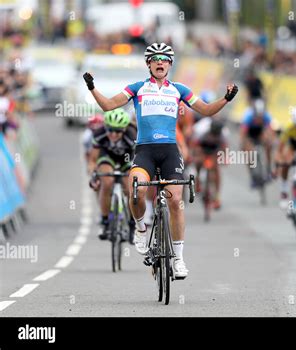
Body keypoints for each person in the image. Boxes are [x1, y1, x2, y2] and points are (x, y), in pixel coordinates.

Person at [83, 42, 238, 278]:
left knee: (175, 200)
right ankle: (141, 227)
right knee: (135, 188)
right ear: (148, 64)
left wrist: (226, 99)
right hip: (144, 150)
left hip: (169, 151)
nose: (160, 62)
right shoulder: (137, 88)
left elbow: (206, 110)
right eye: (155, 59)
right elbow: (108, 105)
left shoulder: (179, 90)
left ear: (169, 64)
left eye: (164, 59)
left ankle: (178, 259)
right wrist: (92, 87)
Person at [87, 108, 137, 240]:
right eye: (110, 130)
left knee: (130, 188)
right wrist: (93, 175)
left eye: (118, 131)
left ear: (124, 129)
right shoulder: (99, 133)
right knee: (107, 182)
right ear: (105, 127)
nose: (113, 134)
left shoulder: (132, 135)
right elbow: (92, 160)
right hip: (107, 157)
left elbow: (139, 160)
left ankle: (132, 224)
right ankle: (105, 222)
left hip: (127, 158)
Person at [191, 117, 229, 209]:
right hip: (203, 147)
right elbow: (195, 147)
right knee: (198, 161)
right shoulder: (201, 131)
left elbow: (224, 149)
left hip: (215, 149)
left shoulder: (224, 134)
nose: (215, 135)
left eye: (217, 134)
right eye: (213, 133)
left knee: (216, 169)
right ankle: (198, 180)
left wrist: (225, 159)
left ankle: (217, 196)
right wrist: (195, 156)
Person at [240, 98, 274, 186]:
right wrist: (243, 144)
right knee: (248, 152)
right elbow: (243, 134)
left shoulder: (266, 116)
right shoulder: (248, 117)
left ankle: (268, 168)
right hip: (250, 135)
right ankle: (252, 175)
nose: (259, 118)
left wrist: (270, 141)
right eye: (257, 116)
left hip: (260, 133)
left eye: (261, 116)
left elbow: (270, 131)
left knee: (269, 145)